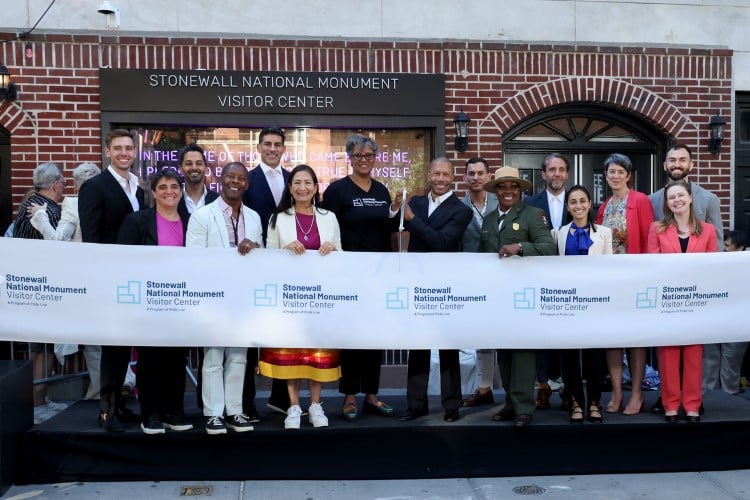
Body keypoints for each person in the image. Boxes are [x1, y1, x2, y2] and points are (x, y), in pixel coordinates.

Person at [320, 135, 397, 421]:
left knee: (375, 335)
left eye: (368, 155)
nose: (363, 160)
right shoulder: (337, 190)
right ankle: (350, 397)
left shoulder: (382, 190)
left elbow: (389, 228)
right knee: (351, 336)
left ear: (375, 158)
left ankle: (372, 396)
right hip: (347, 273)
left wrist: (395, 212)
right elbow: (328, 228)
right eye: (358, 156)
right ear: (349, 158)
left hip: (378, 274)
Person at [260, 164, 342, 429]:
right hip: (290, 296)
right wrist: (284, 249)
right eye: (297, 182)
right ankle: (294, 407)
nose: (302, 187)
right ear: (290, 187)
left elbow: (342, 255)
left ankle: (316, 405)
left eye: (308, 182)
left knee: (316, 349)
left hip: (320, 295)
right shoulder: (278, 218)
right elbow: (268, 258)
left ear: (316, 188)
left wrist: (333, 248)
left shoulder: (329, 217)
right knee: (292, 350)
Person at [186, 161, 263, 435]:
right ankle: (213, 413)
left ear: (247, 184)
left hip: (243, 297)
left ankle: (235, 411)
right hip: (213, 296)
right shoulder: (202, 215)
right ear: (221, 179)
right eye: (231, 176)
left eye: (241, 178)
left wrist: (255, 247)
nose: (236, 182)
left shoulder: (254, 217)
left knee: (239, 357)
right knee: (214, 356)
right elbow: (193, 260)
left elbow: (262, 256)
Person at [648, 143, 725, 413]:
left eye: (682, 159)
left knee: (695, 351)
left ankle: (695, 401)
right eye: (672, 160)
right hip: (668, 294)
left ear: (691, 164)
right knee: (667, 352)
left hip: (696, 292)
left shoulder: (710, 200)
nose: (677, 164)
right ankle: (667, 399)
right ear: (665, 165)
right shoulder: (653, 200)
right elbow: (651, 254)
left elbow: (718, 249)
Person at [479, 166, 557, 428]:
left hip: (524, 295)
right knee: (505, 351)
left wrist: (520, 247)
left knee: (523, 350)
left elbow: (549, 247)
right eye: (502, 186)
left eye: (513, 186)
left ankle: (525, 406)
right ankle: (511, 404)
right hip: (499, 296)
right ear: (496, 191)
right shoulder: (489, 219)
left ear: (520, 190)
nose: (508, 191)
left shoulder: (533, 215)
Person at [79, 129, 145, 432]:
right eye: (118, 148)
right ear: (108, 152)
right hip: (109, 277)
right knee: (111, 345)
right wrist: (100, 276)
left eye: (128, 148)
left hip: (133, 278)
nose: (123, 153)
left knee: (124, 344)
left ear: (134, 152)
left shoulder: (139, 189)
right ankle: (105, 411)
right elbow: (92, 238)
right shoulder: (95, 187)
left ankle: (119, 404)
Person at [117, 170, 193, 434]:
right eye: (163, 187)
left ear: (181, 191)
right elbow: (124, 262)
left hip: (182, 301)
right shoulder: (137, 221)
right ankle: (150, 414)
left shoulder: (191, 220)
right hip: (149, 302)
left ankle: (174, 411)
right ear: (153, 192)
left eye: (174, 186)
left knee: (176, 358)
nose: (169, 191)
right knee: (150, 359)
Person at [398, 157, 472, 423]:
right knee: (417, 345)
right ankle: (415, 405)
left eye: (445, 174)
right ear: (428, 175)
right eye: (436, 173)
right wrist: (396, 209)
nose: (440, 179)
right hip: (418, 283)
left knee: (447, 347)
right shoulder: (415, 202)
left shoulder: (462, 210)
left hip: (445, 285)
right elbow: (394, 222)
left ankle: (451, 405)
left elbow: (441, 241)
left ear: (452, 178)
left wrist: (412, 220)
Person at [27, 161, 102, 401]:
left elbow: (60, 241)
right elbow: (62, 241)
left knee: (99, 339)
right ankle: (107, 386)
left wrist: (41, 218)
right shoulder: (83, 203)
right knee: (98, 337)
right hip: (94, 278)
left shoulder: (82, 202)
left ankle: (114, 384)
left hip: (95, 277)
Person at [595, 153, 653, 416]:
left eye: (620, 171)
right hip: (609, 282)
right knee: (612, 338)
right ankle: (617, 391)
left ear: (629, 175)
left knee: (636, 338)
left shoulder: (640, 201)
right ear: (605, 177)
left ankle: (637, 393)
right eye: (611, 172)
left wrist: (644, 275)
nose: (615, 176)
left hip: (635, 280)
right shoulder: (604, 205)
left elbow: (648, 239)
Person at [241, 126, 291, 419]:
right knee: (250, 340)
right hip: (254, 267)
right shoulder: (247, 179)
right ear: (259, 147)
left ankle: (281, 397)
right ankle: (247, 403)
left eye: (277, 144)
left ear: (284, 149)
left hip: (287, 270)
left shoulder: (291, 179)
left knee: (284, 334)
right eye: (268, 144)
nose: (273, 149)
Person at [12, 163, 67, 424]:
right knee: (43, 347)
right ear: (54, 184)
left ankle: (39, 400)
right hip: (43, 287)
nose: (65, 187)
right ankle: (38, 402)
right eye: (63, 183)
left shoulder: (29, 204)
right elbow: (58, 244)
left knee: (41, 346)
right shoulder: (46, 209)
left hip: (34, 285)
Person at [555, 185, 612, 423]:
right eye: (573, 202)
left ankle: (594, 402)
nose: (578, 206)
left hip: (595, 303)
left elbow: (611, 269)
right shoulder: (557, 233)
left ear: (590, 204)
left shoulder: (605, 233)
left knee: (594, 356)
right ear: (567, 207)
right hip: (568, 304)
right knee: (570, 356)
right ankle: (576, 402)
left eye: (582, 201)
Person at [524, 153, 571, 410]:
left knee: (565, 335)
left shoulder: (577, 201)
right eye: (552, 170)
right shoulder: (530, 203)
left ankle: (566, 386)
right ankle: (541, 385)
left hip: (568, 280)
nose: (556, 174)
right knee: (541, 335)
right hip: (539, 278)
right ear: (543, 174)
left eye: (561, 169)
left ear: (566, 174)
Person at [459, 157, 498, 408]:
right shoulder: (458, 205)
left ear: (488, 177)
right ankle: (484, 389)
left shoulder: (500, 201)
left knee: (502, 332)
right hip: (470, 276)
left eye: (480, 173)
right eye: (471, 173)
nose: (475, 177)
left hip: (501, 274)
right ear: (465, 178)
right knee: (480, 332)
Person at [700, 230, 748, 395]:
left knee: (731, 360)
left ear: (740, 248)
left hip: (738, 321)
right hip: (713, 319)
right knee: (710, 358)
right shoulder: (716, 261)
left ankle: (729, 399)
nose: (723, 249)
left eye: (727, 246)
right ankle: (710, 397)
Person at [177, 144, 219, 219]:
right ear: (180, 169)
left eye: (199, 163)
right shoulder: (174, 200)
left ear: (206, 168)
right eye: (189, 163)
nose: (194, 167)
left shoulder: (217, 201)